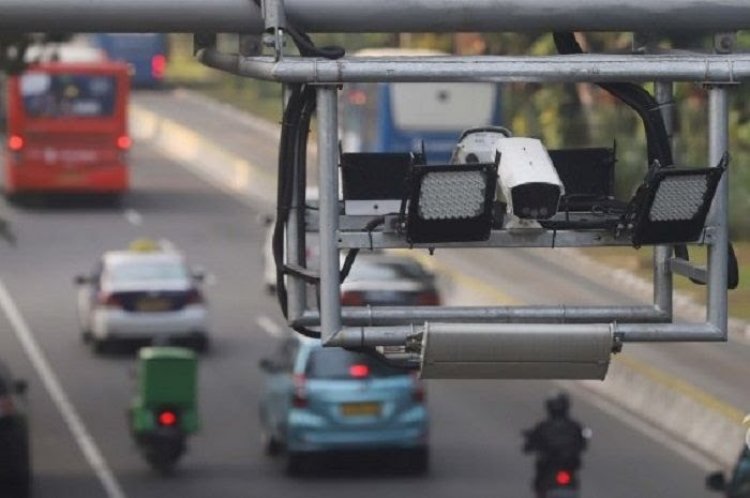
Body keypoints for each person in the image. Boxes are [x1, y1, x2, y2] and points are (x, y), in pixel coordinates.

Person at [523, 392, 587, 496]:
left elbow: (529, 445)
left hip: (556, 469)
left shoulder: (543, 426)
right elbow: (583, 444)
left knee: (540, 481)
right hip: (561, 469)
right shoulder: (575, 426)